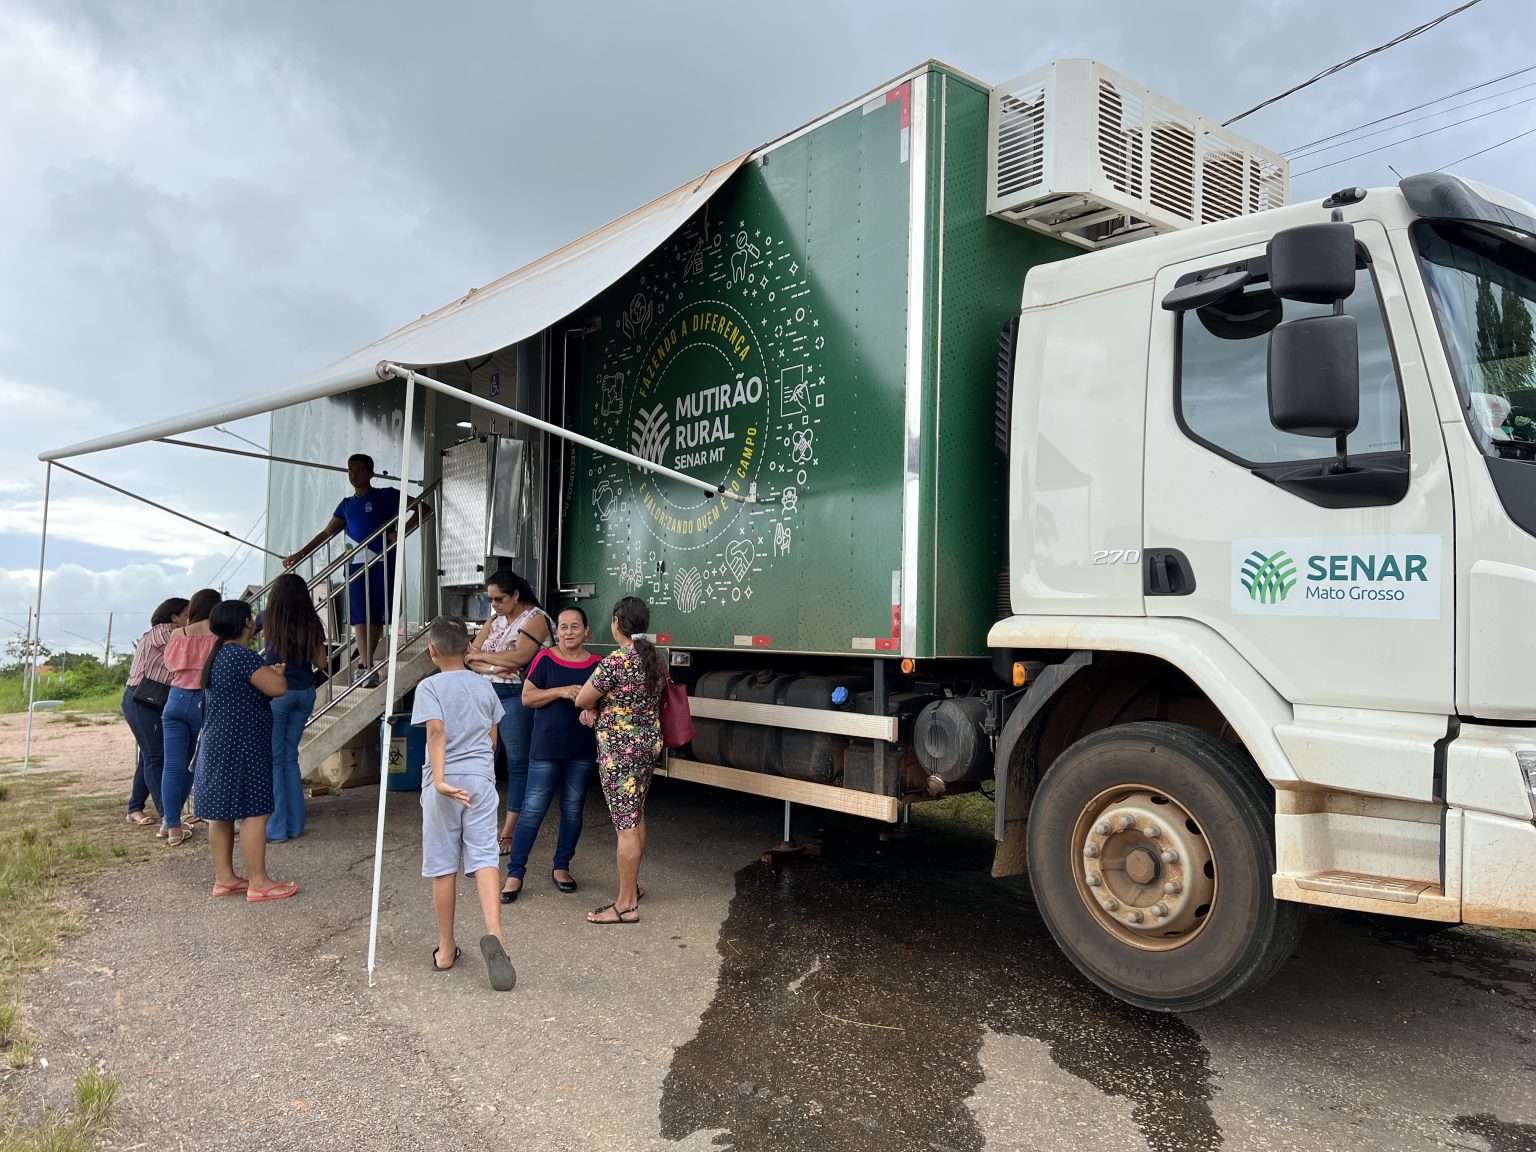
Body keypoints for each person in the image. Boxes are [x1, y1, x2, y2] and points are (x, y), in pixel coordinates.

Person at [411, 616, 517, 990]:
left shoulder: (429, 687)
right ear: (470, 648)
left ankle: (445, 949)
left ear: (432, 650)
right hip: (479, 780)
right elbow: (492, 739)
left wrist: (441, 779)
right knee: (485, 858)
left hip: (443, 784)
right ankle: (495, 935)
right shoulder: (484, 686)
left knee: (443, 866)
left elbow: (436, 732)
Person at [282, 453, 423, 679]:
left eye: (358, 470)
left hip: (381, 560)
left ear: (371, 473)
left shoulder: (387, 495)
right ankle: (366, 665)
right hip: (355, 564)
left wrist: (400, 532)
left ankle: (366, 664)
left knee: (375, 615)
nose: (353, 475)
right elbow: (327, 533)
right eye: (350, 471)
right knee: (359, 615)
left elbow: (423, 508)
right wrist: (301, 553)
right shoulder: (346, 505)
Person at [194, 600, 298, 902]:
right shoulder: (240, 655)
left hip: (218, 743)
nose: (254, 621)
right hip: (242, 745)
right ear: (245, 623)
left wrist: (269, 674)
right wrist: (278, 673)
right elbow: (277, 688)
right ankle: (259, 882)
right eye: (251, 617)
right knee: (255, 811)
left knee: (221, 812)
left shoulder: (217, 655)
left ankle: (225, 879)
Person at [575, 596, 665, 925]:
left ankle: (626, 904)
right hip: (646, 744)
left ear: (617, 623)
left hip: (620, 751)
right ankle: (632, 887)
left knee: (625, 826)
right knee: (636, 816)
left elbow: (583, 698)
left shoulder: (617, 660)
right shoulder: (655, 657)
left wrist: (594, 706)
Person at [464, 567, 553, 901]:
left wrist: (485, 658)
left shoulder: (536, 618)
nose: (494, 605)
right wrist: (493, 664)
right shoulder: (495, 619)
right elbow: (469, 656)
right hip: (487, 692)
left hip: (516, 695)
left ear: (516, 595)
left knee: (517, 764)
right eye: (490, 600)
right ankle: (480, 832)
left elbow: (521, 658)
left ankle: (509, 832)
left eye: (499, 599)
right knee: (482, 761)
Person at [503, 606, 601, 900]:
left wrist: (594, 710)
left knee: (572, 810)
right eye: (563, 627)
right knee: (533, 810)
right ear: (556, 631)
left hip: (581, 749)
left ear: (586, 631)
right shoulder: (545, 659)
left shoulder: (598, 664)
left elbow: (606, 702)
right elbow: (527, 697)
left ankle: (562, 867)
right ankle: (515, 873)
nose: (569, 632)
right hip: (546, 749)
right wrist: (560, 691)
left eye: (575, 626)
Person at [261, 573, 326, 843]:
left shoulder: (268, 618)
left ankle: (276, 829)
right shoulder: (312, 622)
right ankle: (296, 824)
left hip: (278, 692)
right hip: (305, 692)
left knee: (274, 759)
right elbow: (322, 662)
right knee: (290, 758)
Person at [120, 597, 188, 828]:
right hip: (140, 699)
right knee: (155, 756)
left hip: (153, 700)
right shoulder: (163, 631)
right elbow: (189, 647)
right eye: (188, 614)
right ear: (174, 617)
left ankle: (134, 808)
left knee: (149, 756)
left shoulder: (171, 632)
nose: (192, 619)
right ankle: (169, 815)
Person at [161, 588, 221, 847]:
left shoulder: (178, 634)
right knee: (202, 764)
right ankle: (216, 818)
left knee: (173, 766)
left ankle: (172, 826)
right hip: (203, 701)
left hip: (175, 699)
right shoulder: (219, 634)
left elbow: (169, 665)